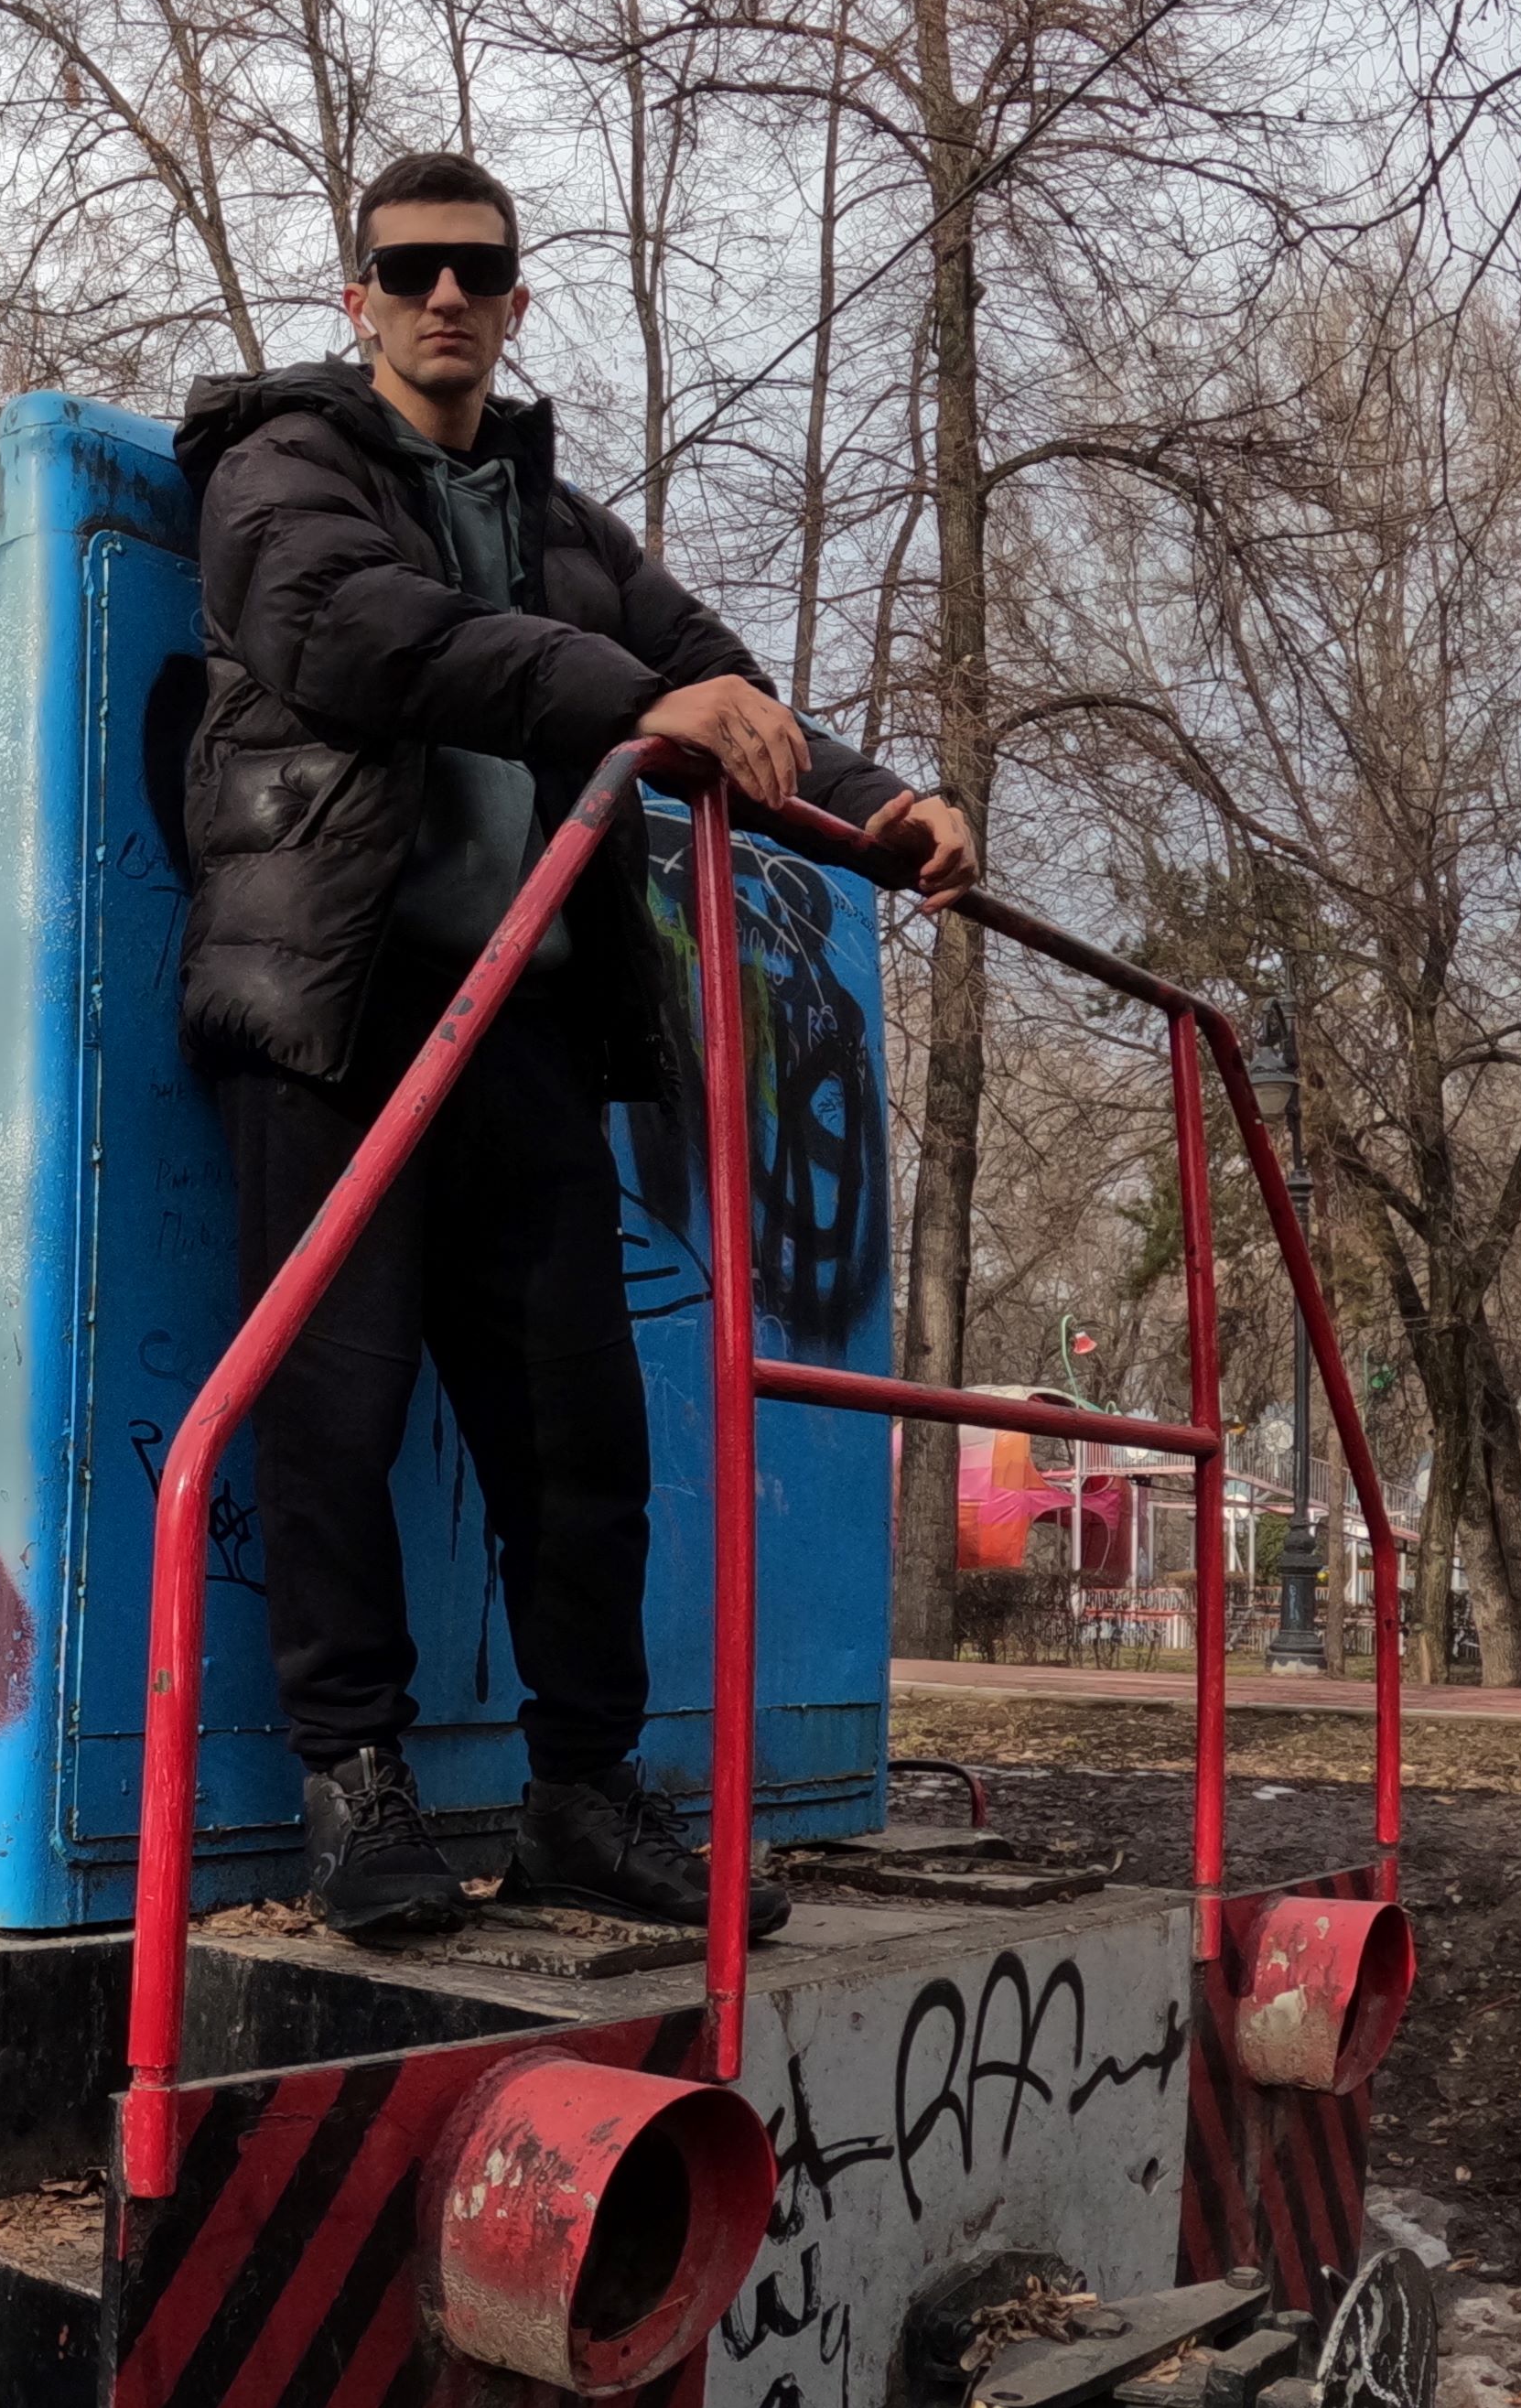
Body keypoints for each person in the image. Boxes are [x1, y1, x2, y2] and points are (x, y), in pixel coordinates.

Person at [176, 152, 977, 1938]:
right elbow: (350, 632)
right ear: (359, 297)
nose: (446, 299)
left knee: (576, 1427)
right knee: (334, 1406)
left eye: (478, 272)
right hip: (337, 1009)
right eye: (413, 272)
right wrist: (633, 701)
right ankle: (355, 1787)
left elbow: (721, 691)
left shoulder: (566, 530)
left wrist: (881, 809)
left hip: (524, 1025)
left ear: (518, 299)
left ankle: (579, 1799)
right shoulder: (280, 463)